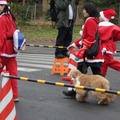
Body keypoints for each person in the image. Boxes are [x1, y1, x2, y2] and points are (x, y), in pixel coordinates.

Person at [63, 2, 104, 97]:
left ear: (89, 10)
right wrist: (75, 44)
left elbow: (89, 38)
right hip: (91, 53)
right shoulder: (93, 20)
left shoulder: (90, 21)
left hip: (89, 53)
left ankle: (75, 91)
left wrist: (82, 48)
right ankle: (106, 89)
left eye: (85, 9)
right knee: (93, 72)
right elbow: (86, 38)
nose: (83, 11)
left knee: (80, 73)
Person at [0, 0, 19, 102]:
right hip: (12, 50)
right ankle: (15, 95)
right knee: (13, 74)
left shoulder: (2, 18)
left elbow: (1, 37)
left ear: (2, 6)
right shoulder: (10, 16)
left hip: (3, 51)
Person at [99, 9, 120, 76]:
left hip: (104, 44)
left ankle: (101, 77)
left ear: (103, 18)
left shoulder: (100, 26)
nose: (99, 18)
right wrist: (113, 39)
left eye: (100, 16)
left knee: (108, 61)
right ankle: (101, 77)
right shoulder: (113, 26)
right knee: (103, 62)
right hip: (109, 44)